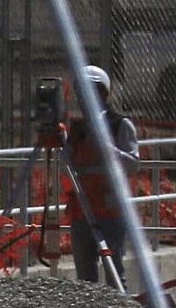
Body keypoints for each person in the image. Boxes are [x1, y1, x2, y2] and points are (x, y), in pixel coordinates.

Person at [61, 65, 142, 287]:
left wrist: (106, 148)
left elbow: (132, 164)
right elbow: (67, 168)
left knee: (114, 272)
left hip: (110, 210)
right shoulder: (77, 129)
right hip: (82, 210)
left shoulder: (119, 124)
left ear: (103, 93)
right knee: (85, 278)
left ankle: (119, 307)